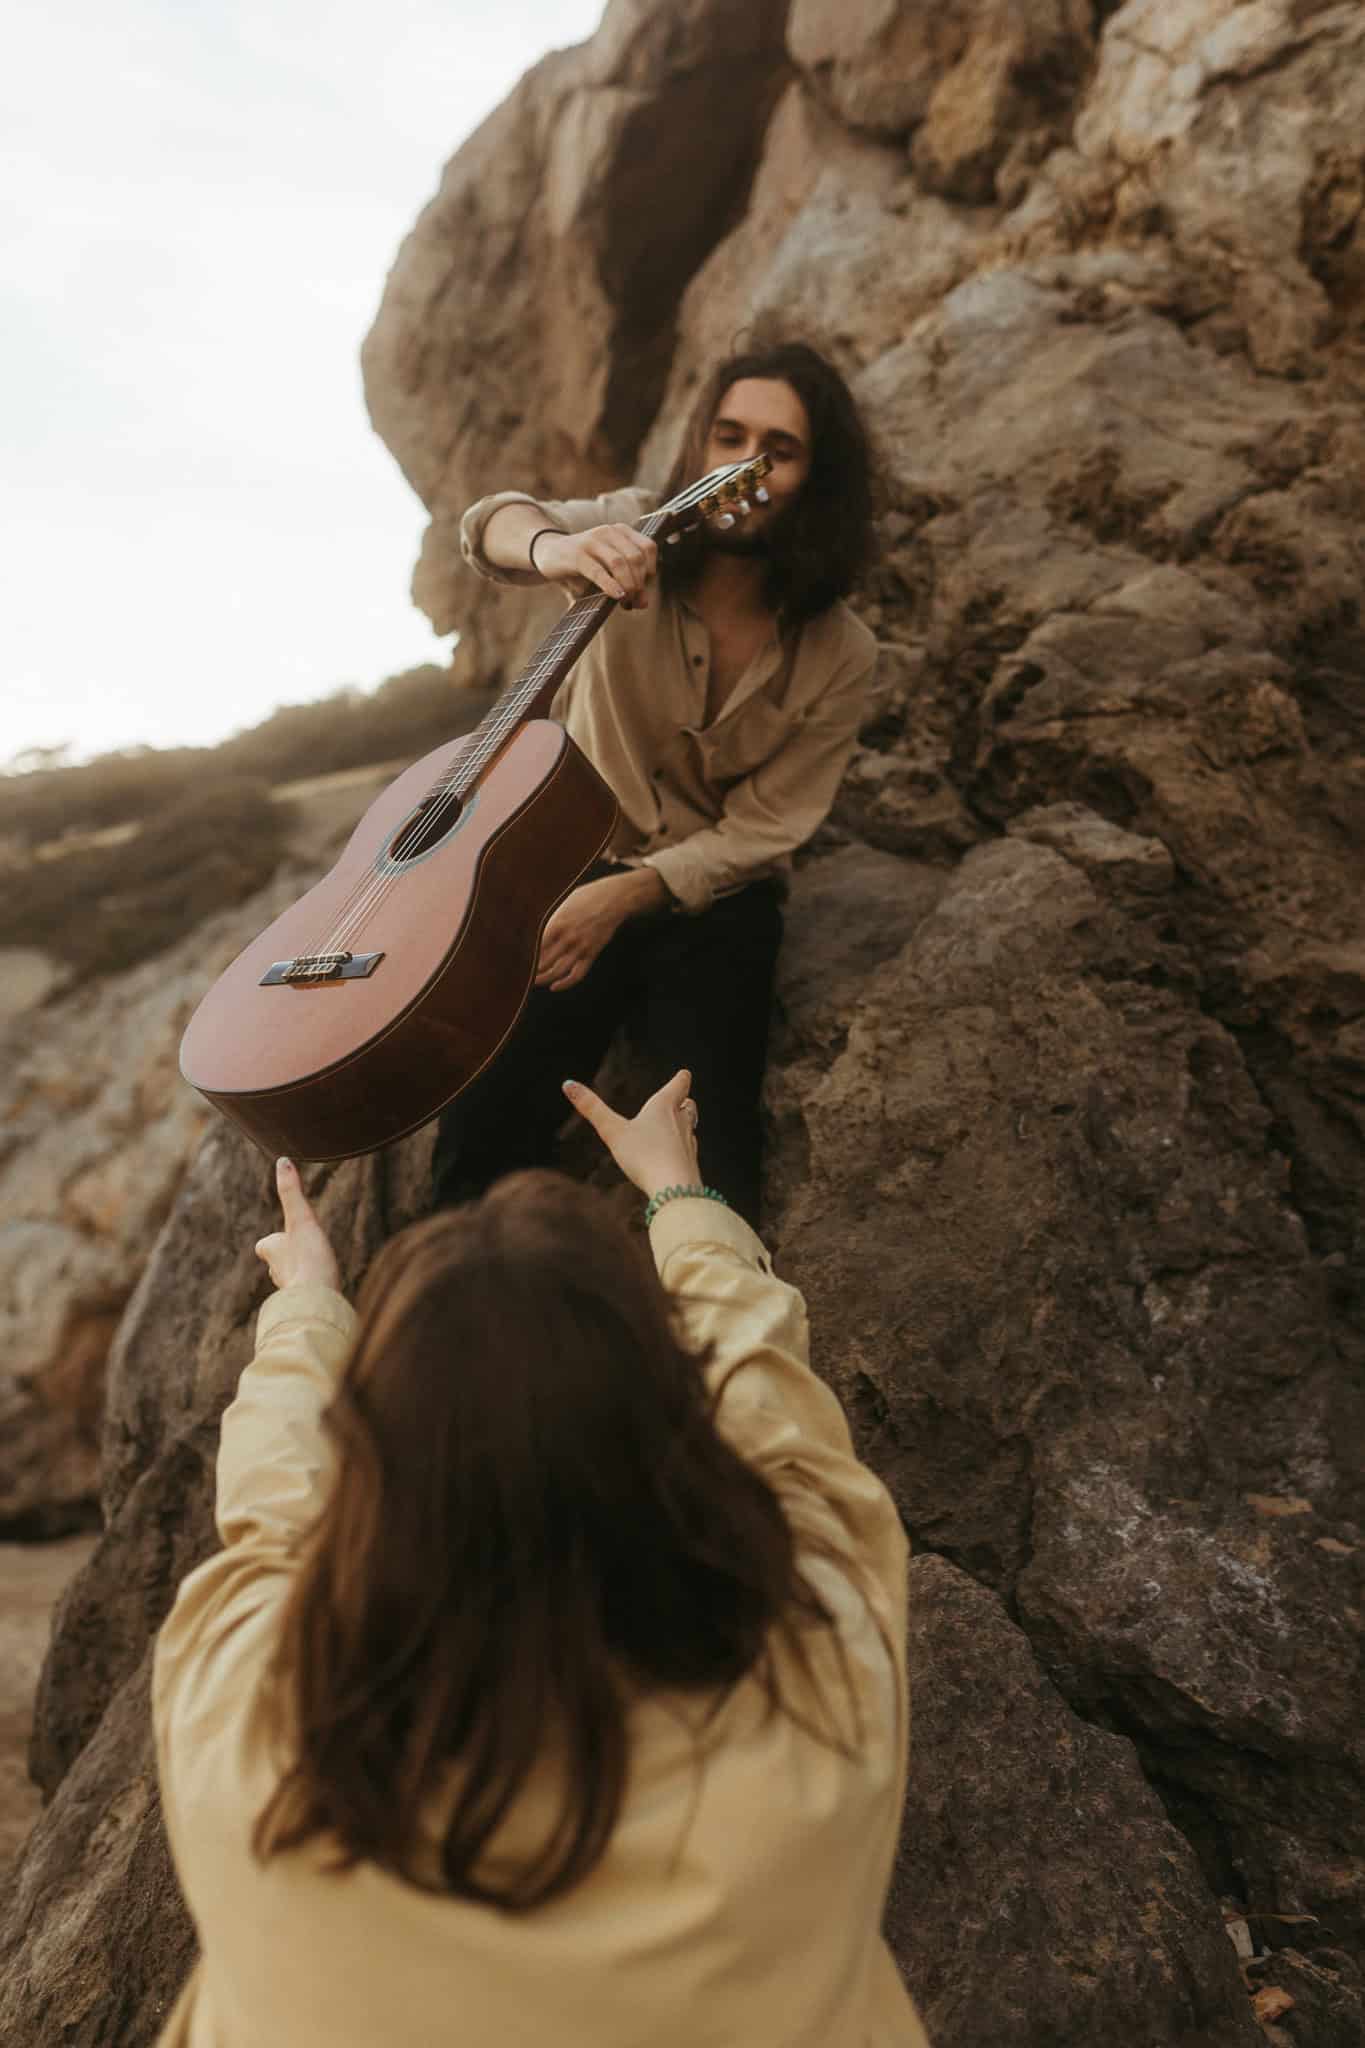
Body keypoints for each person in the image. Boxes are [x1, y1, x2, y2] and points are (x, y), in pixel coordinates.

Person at [152, 1071, 929, 2048]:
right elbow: (782, 1433)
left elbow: (274, 1517)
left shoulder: (242, 1717)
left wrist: (309, 1302)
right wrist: (680, 1200)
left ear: (371, 1457)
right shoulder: (825, 1667)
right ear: (666, 1418)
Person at [430, 340, 879, 1227]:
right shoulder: (635, 522)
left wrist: (631, 897)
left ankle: (714, 1327)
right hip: (571, 867)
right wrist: (559, 547)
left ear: (815, 476)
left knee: (711, 1155)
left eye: (777, 450)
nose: (743, 465)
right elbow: (489, 524)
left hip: (708, 903)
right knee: (482, 1131)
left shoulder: (840, 650)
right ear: (697, 446)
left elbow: (768, 827)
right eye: (727, 435)